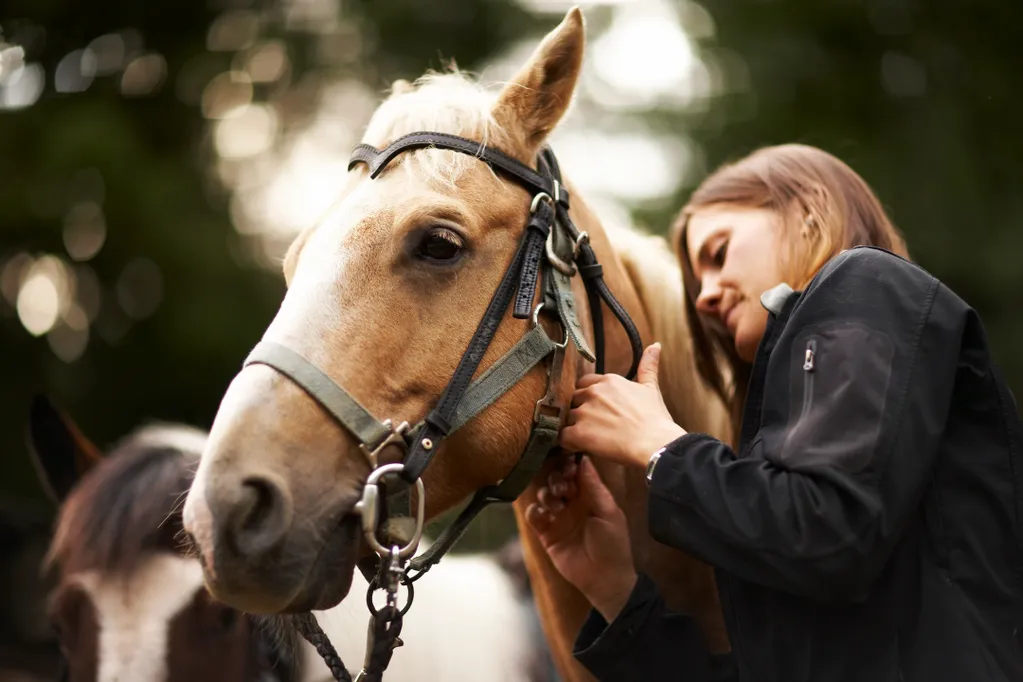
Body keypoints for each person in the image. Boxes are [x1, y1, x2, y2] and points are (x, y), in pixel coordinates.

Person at [525, 144, 1023, 682]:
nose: (706, 297)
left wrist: (663, 450)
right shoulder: (787, 438)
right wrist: (615, 591)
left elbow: (830, 532)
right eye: (696, 285)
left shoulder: (866, 283)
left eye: (718, 254)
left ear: (807, 209)